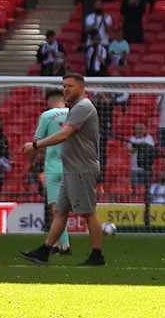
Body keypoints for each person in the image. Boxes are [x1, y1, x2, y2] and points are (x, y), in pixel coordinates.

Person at [20, 73, 106, 266]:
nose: (66, 89)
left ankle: (97, 254)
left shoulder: (83, 107)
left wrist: (36, 145)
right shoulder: (74, 108)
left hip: (81, 168)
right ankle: (44, 251)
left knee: (88, 212)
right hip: (71, 168)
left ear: (82, 88)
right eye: (64, 86)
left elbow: (64, 134)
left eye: (70, 86)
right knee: (60, 211)